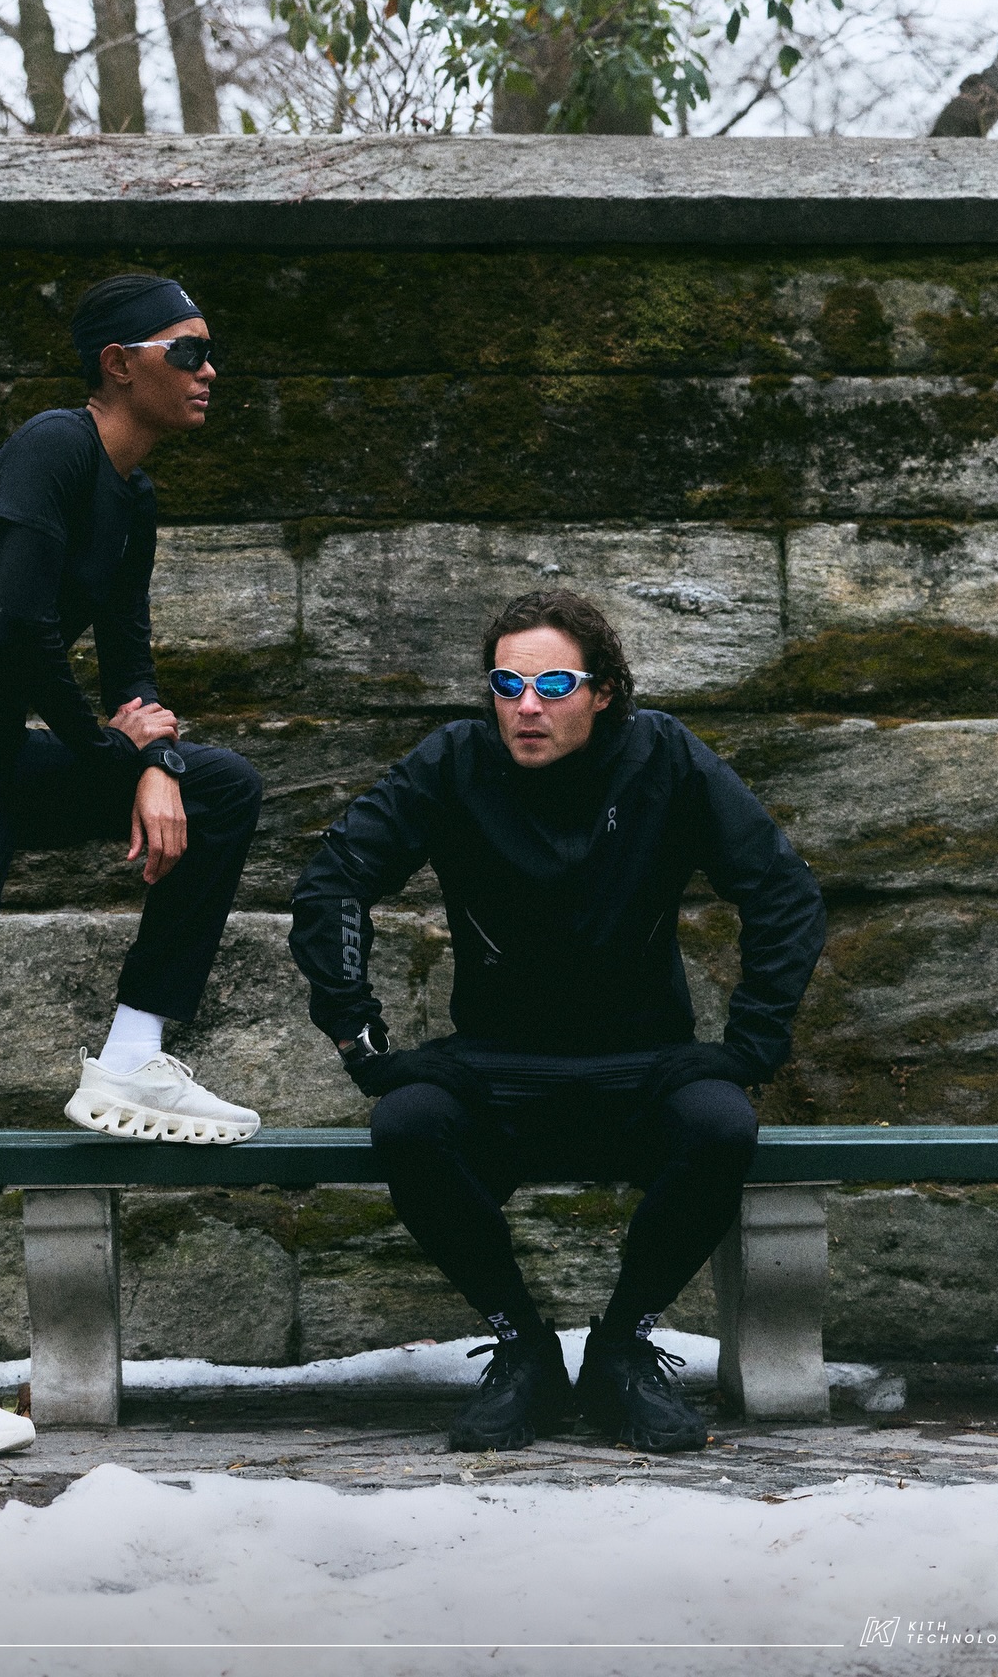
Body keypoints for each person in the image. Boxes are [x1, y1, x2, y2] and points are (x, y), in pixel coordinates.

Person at [0, 273, 263, 1459]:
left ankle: (130, 1058)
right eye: (189, 350)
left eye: (211, 351)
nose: (210, 370)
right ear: (121, 363)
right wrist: (113, 756)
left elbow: (129, 668)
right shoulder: (54, 446)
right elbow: (19, 628)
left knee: (221, 787)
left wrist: (155, 758)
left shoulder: (134, 499)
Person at [289, 590, 826, 1455]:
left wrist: (750, 1047)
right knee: (408, 1123)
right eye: (507, 685)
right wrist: (363, 1042)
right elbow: (334, 881)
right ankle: (524, 1350)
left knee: (722, 1124)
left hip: (643, 1064)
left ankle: (621, 1350)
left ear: (603, 691)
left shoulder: (664, 757)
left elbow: (783, 892)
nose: (526, 707)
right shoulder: (453, 760)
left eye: (553, 685)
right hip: (496, 1067)